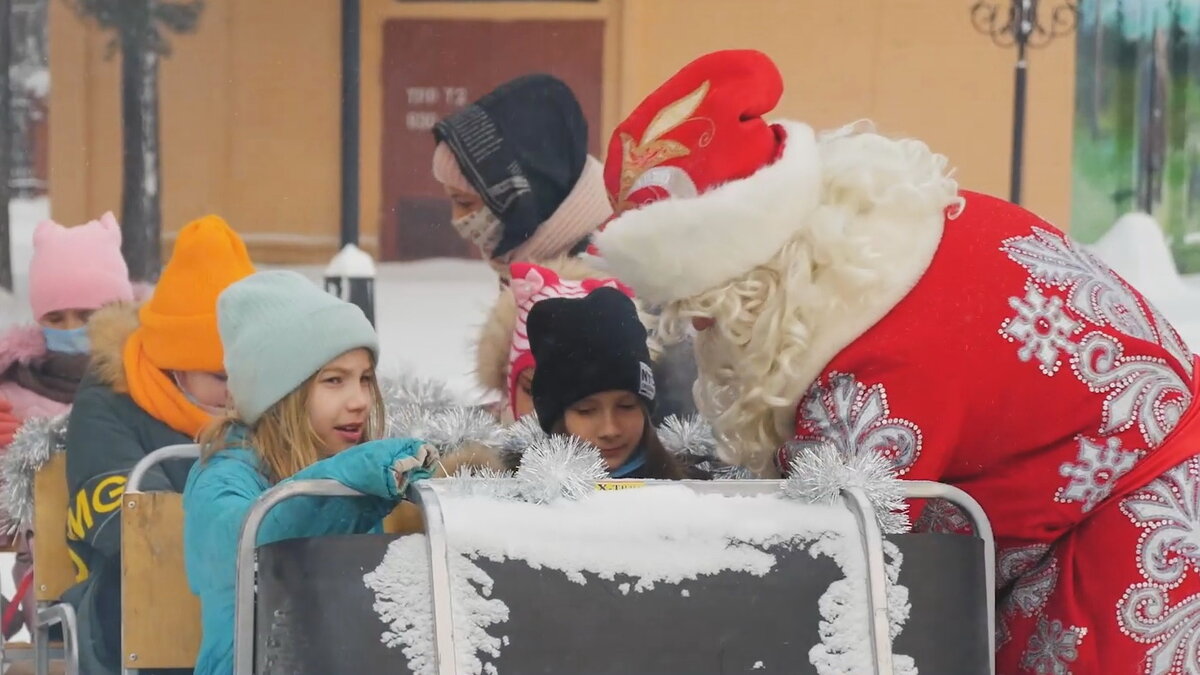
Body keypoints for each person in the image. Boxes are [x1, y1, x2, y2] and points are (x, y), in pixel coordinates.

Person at [591, 49, 1200, 672]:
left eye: (707, 309)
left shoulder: (863, 383)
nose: (702, 333)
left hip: (1133, 538)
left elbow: (833, 578)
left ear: (750, 277)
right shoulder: (904, 222)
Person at [183, 270, 435, 674]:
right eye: (334, 381)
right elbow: (253, 537)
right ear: (281, 394)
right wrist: (349, 476)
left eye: (365, 379)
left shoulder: (349, 478)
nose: (360, 401)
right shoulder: (223, 475)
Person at [64, 214, 254, 674]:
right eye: (221, 377)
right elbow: (135, 530)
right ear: (176, 364)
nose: (236, 392)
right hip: (135, 624)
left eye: (247, 374)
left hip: (250, 609)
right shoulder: (110, 401)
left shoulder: (268, 410)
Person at [0, 213, 133, 636]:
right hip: (43, 590)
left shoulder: (141, 386)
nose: (73, 329)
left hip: (130, 579)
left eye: (87, 314)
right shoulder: (13, 390)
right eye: (56, 317)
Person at [432, 73, 610, 279]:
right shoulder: (526, 260)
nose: (457, 219)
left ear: (527, 192)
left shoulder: (605, 288)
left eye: (465, 202)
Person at [526, 286, 694, 480]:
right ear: (557, 419)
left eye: (626, 406)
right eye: (586, 411)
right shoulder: (513, 504)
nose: (610, 430)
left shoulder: (703, 495)